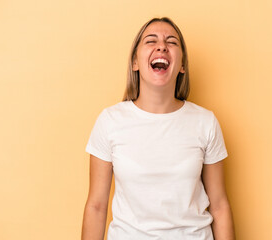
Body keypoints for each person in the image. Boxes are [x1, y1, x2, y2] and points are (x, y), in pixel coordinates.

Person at [81, 17, 235, 240]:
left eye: (171, 42)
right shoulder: (110, 121)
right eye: (151, 41)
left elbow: (220, 206)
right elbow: (96, 206)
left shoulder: (205, 122)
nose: (162, 46)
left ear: (182, 65)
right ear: (135, 62)